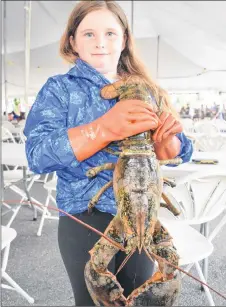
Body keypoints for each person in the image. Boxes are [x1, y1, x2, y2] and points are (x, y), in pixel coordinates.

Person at [24, 1, 193, 305]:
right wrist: (102, 129)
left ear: (125, 39)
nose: (101, 42)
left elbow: (183, 148)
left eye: (111, 33)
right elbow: (37, 155)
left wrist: (171, 145)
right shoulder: (59, 89)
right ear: (72, 41)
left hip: (144, 214)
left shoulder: (148, 89)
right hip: (84, 219)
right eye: (88, 33)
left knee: (157, 279)